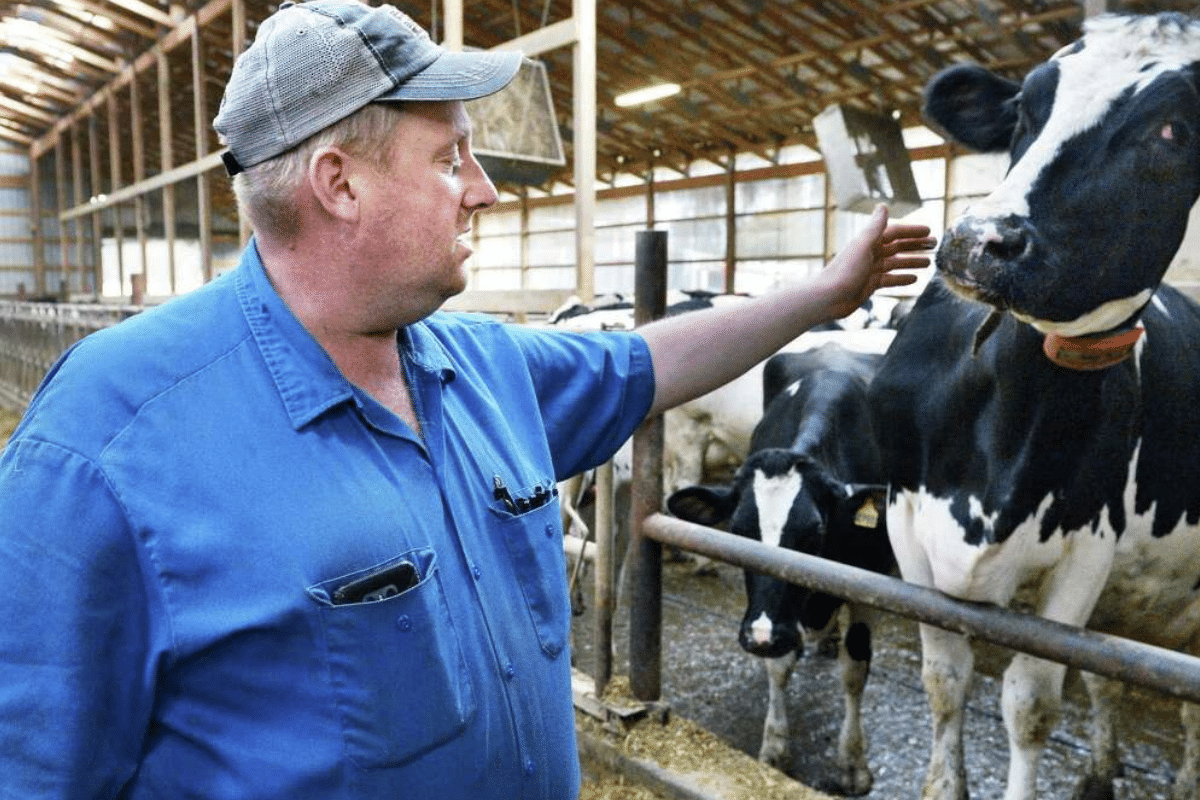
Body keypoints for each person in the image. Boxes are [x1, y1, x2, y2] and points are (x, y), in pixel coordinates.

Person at [0, 1, 932, 798]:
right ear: (340, 184)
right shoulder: (107, 443)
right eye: (452, 159)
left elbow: (650, 362)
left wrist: (826, 293)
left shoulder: (481, 369)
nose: (483, 191)